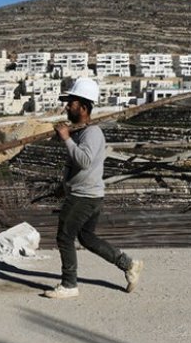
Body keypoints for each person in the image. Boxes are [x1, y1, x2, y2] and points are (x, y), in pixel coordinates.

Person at [43, 77, 143, 299]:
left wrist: (67, 139)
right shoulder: (81, 131)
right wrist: (64, 185)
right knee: (87, 238)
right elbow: (75, 166)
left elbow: (85, 161)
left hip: (84, 197)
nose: (67, 106)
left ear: (84, 107)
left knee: (64, 237)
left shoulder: (92, 133)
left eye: (72, 103)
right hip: (86, 193)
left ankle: (69, 285)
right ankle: (128, 264)